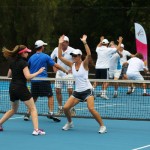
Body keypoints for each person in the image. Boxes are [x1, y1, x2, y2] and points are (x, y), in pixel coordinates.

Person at [58, 34, 107, 133]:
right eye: (73, 55)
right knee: (66, 108)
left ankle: (102, 126)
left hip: (88, 91)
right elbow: (59, 56)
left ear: (80, 56)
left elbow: (88, 54)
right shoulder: (71, 64)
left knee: (91, 109)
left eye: (76, 55)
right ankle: (70, 123)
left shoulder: (84, 64)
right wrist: (59, 44)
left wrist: (84, 42)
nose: (73, 57)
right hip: (77, 92)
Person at [0, 45, 45, 135]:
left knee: (13, 109)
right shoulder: (24, 63)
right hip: (21, 88)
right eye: (26, 52)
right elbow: (28, 77)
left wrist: (17, 73)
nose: (28, 53)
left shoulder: (12, 62)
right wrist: (38, 72)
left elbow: (8, 76)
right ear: (22, 53)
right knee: (33, 108)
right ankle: (36, 130)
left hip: (12, 88)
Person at [24, 40, 68, 122]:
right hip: (43, 80)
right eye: (43, 46)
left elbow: (27, 67)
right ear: (42, 47)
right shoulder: (45, 56)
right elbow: (56, 65)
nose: (44, 47)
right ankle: (51, 113)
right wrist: (65, 70)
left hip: (34, 81)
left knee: (34, 98)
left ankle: (27, 114)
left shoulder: (31, 57)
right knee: (50, 96)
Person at [51, 36, 76, 116]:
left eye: (64, 41)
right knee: (57, 90)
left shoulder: (72, 50)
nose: (62, 43)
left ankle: (71, 108)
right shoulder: (56, 49)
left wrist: (73, 69)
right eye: (61, 41)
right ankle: (60, 108)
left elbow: (76, 60)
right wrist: (54, 66)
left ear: (67, 43)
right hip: (59, 73)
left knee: (70, 91)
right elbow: (51, 59)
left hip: (69, 74)